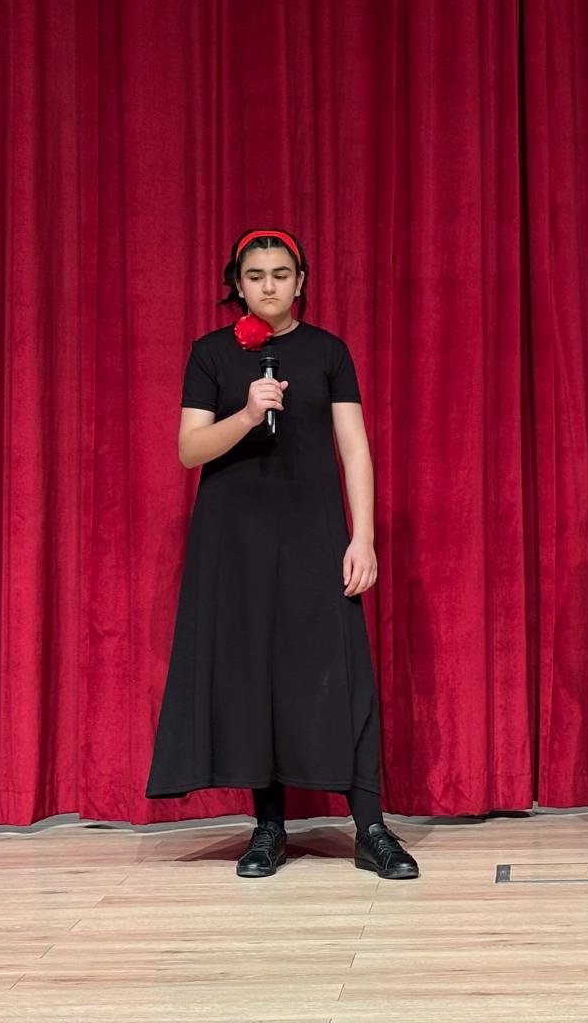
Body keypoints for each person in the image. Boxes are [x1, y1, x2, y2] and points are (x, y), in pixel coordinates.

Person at [147, 228, 418, 880]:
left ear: (300, 282)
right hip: (234, 542)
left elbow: (354, 447)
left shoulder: (328, 352)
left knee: (340, 672)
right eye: (255, 275)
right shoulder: (211, 354)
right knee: (253, 677)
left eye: (280, 274)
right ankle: (269, 827)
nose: (268, 286)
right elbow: (189, 449)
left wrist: (362, 536)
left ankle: (371, 827)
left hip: (313, 533)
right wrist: (246, 415)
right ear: (237, 286)